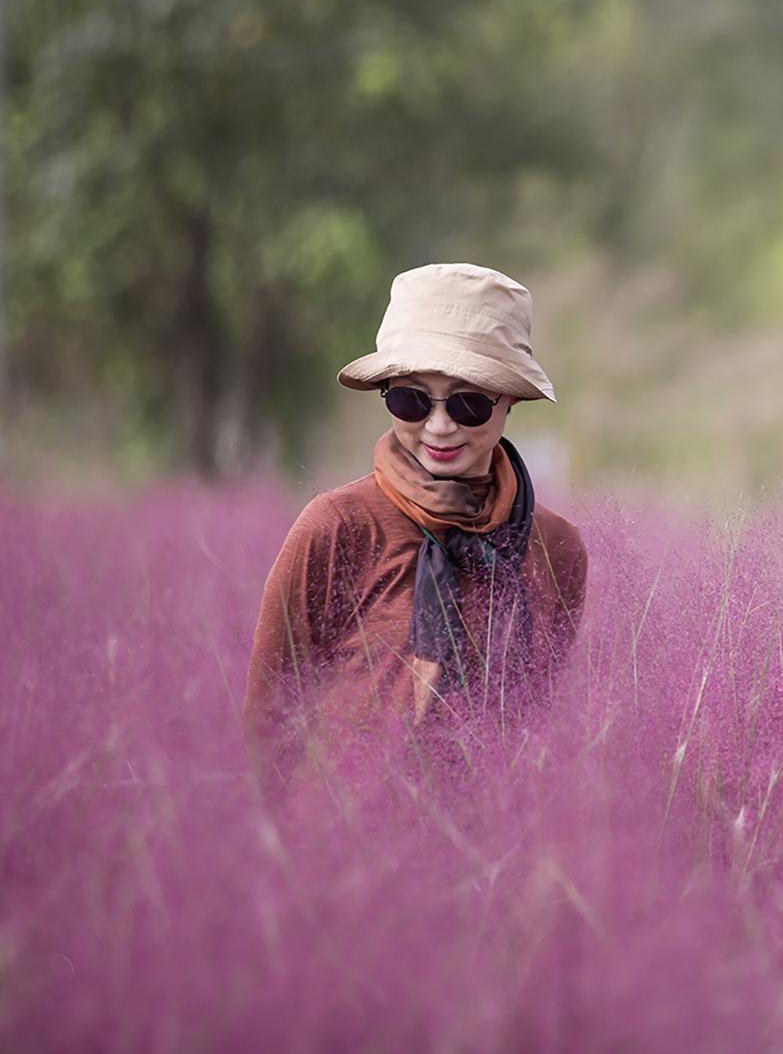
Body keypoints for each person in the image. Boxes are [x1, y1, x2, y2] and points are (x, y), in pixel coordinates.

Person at [242, 263, 587, 808]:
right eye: (411, 399)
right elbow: (268, 723)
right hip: (338, 855)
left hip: (483, 861)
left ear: (510, 400)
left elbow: (531, 719)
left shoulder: (557, 550)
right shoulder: (337, 527)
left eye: (470, 401)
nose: (439, 426)